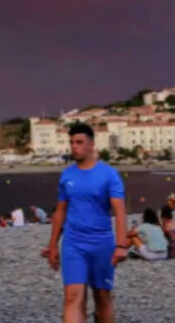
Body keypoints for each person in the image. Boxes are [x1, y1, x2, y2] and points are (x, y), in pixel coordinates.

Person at [41, 123, 128, 323]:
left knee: (102, 297)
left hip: (102, 243)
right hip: (73, 243)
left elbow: (120, 211)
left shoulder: (109, 174)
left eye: (79, 142)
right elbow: (60, 211)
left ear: (91, 145)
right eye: (71, 142)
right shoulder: (67, 175)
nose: (74, 147)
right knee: (72, 296)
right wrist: (53, 245)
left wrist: (121, 246)